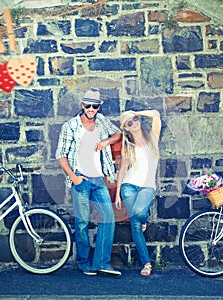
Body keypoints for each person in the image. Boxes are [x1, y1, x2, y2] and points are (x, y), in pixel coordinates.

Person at [56, 88, 122, 276]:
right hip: (81, 180)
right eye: (88, 105)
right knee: (82, 223)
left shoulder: (102, 121)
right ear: (82, 105)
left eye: (95, 106)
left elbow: (118, 134)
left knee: (108, 218)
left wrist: (106, 142)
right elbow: (61, 155)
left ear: (99, 107)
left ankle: (101, 262)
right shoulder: (70, 126)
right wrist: (74, 178)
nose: (91, 109)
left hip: (99, 179)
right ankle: (84, 262)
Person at [115, 109, 161, 276]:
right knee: (135, 224)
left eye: (134, 119)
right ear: (126, 128)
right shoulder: (128, 145)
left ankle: (144, 217)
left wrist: (138, 112)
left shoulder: (152, 137)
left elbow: (156, 115)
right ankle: (147, 263)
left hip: (147, 187)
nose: (134, 123)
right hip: (129, 185)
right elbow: (122, 170)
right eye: (129, 122)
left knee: (139, 213)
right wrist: (118, 191)